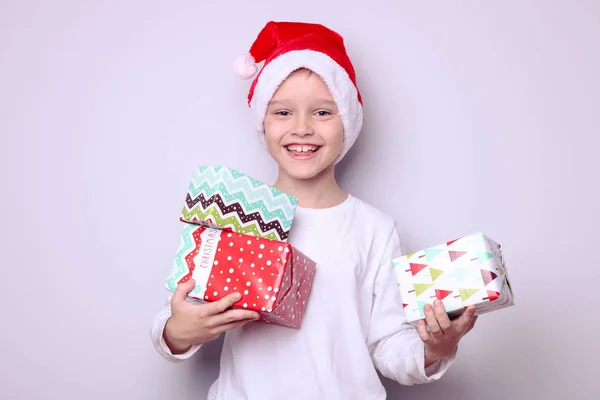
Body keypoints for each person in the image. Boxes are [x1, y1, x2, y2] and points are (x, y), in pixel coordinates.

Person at [150, 21, 477, 400]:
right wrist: (178, 332)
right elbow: (173, 316)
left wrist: (435, 349)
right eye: (283, 113)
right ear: (263, 123)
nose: (302, 128)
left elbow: (387, 343)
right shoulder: (233, 214)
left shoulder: (375, 229)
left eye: (322, 113)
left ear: (348, 123)